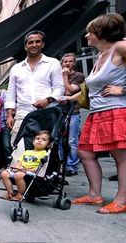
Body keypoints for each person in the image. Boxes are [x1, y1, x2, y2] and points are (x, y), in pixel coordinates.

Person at [72, 13, 126, 214]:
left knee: (121, 157)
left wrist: (123, 89)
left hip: (117, 110)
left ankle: (121, 201)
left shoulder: (120, 47)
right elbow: (91, 88)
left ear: (101, 33)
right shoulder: (100, 56)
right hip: (98, 113)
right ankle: (95, 195)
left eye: (90, 32)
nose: (86, 36)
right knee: (85, 152)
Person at [5, 30, 64, 143]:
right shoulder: (16, 68)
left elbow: (59, 87)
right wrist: (9, 116)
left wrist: (47, 100)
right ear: (26, 46)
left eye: (37, 41)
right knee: (17, 150)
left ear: (42, 44)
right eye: (30, 42)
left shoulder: (53, 63)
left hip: (47, 114)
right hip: (23, 115)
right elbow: (11, 93)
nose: (34, 45)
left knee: (45, 152)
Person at [0, 130, 51, 201]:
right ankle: (10, 193)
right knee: (4, 174)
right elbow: (19, 161)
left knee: (18, 175)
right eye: (38, 138)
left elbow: (39, 168)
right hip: (20, 170)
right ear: (33, 141)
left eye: (43, 140)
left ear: (48, 144)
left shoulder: (44, 154)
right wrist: (17, 167)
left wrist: (25, 170)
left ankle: (20, 194)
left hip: (32, 172)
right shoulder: (27, 152)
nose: (39, 141)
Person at [59, 53, 85, 176]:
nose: (67, 64)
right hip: (59, 112)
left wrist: (64, 76)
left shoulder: (78, 76)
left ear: (74, 63)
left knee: (72, 140)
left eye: (70, 61)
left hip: (73, 112)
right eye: (65, 61)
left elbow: (69, 91)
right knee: (57, 140)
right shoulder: (56, 76)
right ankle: (60, 165)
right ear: (62, 63)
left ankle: (71, 166)